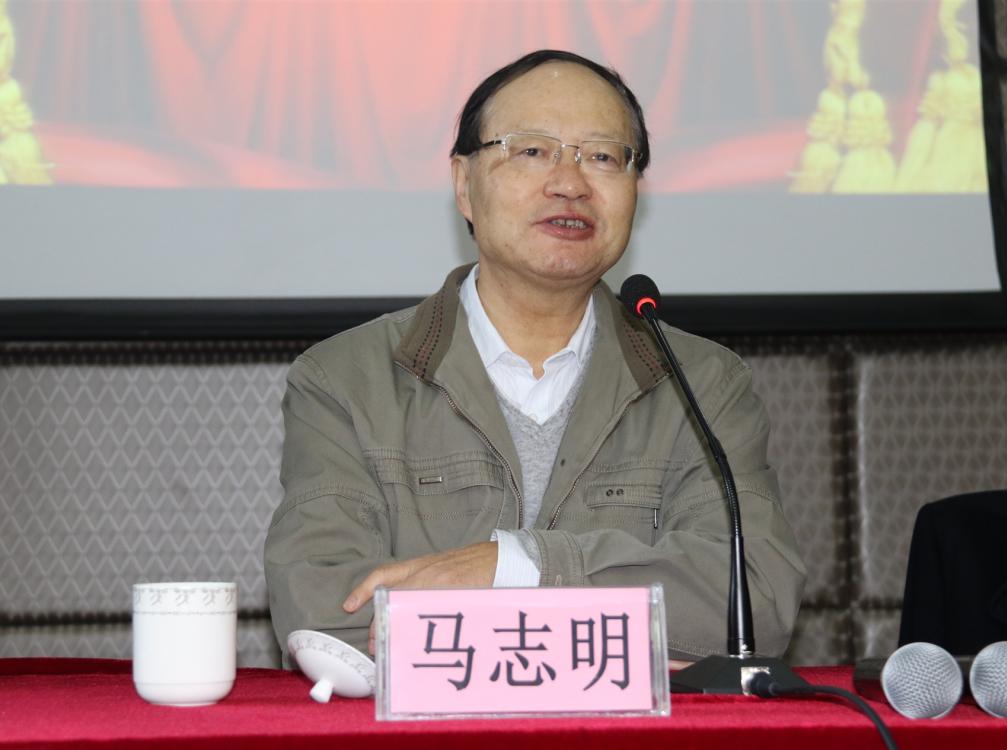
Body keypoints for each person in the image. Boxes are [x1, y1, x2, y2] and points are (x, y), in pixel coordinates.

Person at [264, 49, 805, 665]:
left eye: (603, 157)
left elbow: (754, 602)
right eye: (531, 150)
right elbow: (324, 613)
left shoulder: (701, 384)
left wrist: (518, 567)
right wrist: (620, 638)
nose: (570, 183)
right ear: (464, 185)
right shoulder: (346, 379)